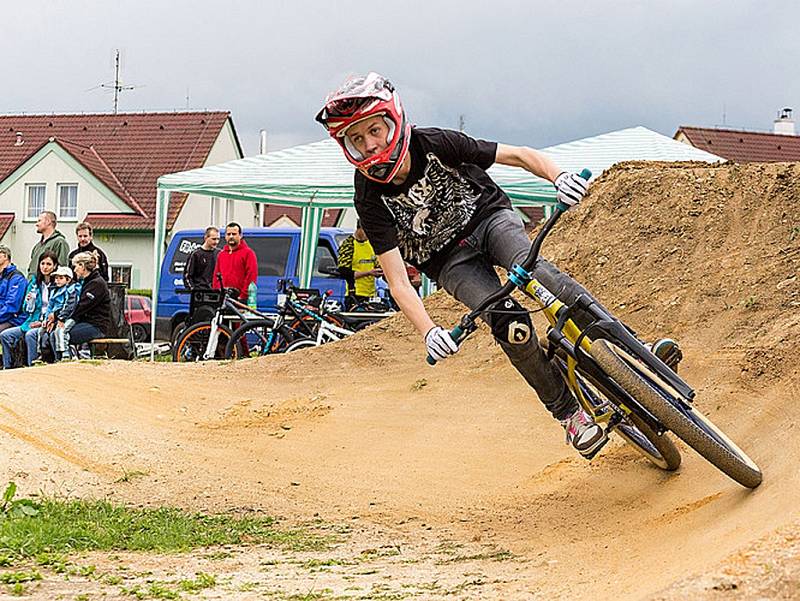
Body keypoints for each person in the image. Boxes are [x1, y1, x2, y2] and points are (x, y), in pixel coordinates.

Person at [315, 72, 683, 459]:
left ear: (396, 120)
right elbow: (398, 282)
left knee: (538, 272)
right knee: (514, 330)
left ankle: (631, 346)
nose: (370, 144)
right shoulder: (368, 198)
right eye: (356, 139)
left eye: (375, 129)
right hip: (448, 261)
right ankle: (570, 415)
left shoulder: (435, 142)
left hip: (489, 220)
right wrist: (428, 331)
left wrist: (559, 176)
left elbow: (520, 155)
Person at [1, 251, 58, 368]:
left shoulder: (58, 284)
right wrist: (29, 302)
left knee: (30, 335)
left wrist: (42, 322)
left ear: (55, 266)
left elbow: (59, 307)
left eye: (49, 264)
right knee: (5, 335)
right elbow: (26, 309)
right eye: (42, 263)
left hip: (49, 323)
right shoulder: (34, 283)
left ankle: (32, 367)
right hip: (32, 320)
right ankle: (8, 368)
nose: (45, 267)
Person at [68, 251, 111, 348]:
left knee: (61, 335)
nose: (74, 270)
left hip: (96, 326)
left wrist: (60, 317)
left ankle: (65, 360)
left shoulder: (97, 284)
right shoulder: (85, 282)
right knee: (53, 333)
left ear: (82, 266)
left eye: (76, 266)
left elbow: (80, 307)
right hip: (84, 323)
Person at [337, 221, 383, 309]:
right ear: (359, 229)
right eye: (366, 232)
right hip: (354, 293)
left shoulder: (371, 244)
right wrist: (369, 272)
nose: (368, 235)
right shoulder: (348, 245)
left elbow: (377, 264)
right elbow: (344, 273)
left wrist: (379, 271)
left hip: (371, 295)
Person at [40, 266, 81, 361]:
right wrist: (46, 320)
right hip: (56, 318)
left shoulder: (72, 290)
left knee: (60, 331)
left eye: (61, 278)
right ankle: (41, 353)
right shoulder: (54, 290)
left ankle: (65, 354)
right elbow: (50, 307)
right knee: (42, 331)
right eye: (56, 278)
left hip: (69, 317)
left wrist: (61, 318)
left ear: (68, 279)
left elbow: (70, 306)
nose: (57, 280)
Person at [212, 222, 257, 302]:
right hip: (223, 299)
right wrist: (218, 292)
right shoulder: (221, 255)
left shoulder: (248, 253)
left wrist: (242, 296)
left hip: (241, 300)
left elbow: (251, 276)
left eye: (234, 234)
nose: (231, 237)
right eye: (228, 234)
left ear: (240, 235)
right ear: (225, 236)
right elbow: (216, 277)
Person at [28, 211, 69, 277]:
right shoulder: (37, 246)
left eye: (39, 221)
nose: (37, 224)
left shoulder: (59, 242)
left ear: (48, 222)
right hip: (34, 285)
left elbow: (62, 267)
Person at [0, 245, 28, 335]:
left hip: (13, 319)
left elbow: (12, 306)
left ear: (5, 256)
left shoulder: (16, 278)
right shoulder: (2, 276)